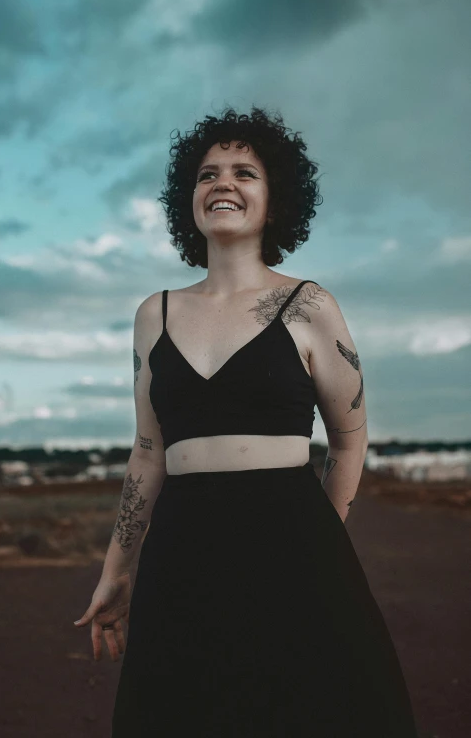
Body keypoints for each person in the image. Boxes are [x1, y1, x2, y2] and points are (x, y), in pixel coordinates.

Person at [74, 106, 419, 736]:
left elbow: (348, 438)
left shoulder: (309, 304)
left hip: (294, 544)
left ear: (274, 197)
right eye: (207, 174)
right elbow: (148, 453)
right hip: (181, 549)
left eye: (244, 172)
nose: (222, 183)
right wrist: (116, 573)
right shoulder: (156, 313)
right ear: (190, 198)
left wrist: (322, 538)